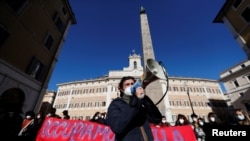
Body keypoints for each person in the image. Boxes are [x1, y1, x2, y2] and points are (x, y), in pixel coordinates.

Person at [106, 76, 162, 141]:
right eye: (127, 84)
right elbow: (117, 127)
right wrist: (136, 100)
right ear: (121, 89)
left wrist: (145, 98)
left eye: (133, 84)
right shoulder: (116, 104)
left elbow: (157, 119)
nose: (131, 86)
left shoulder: (140, 103)